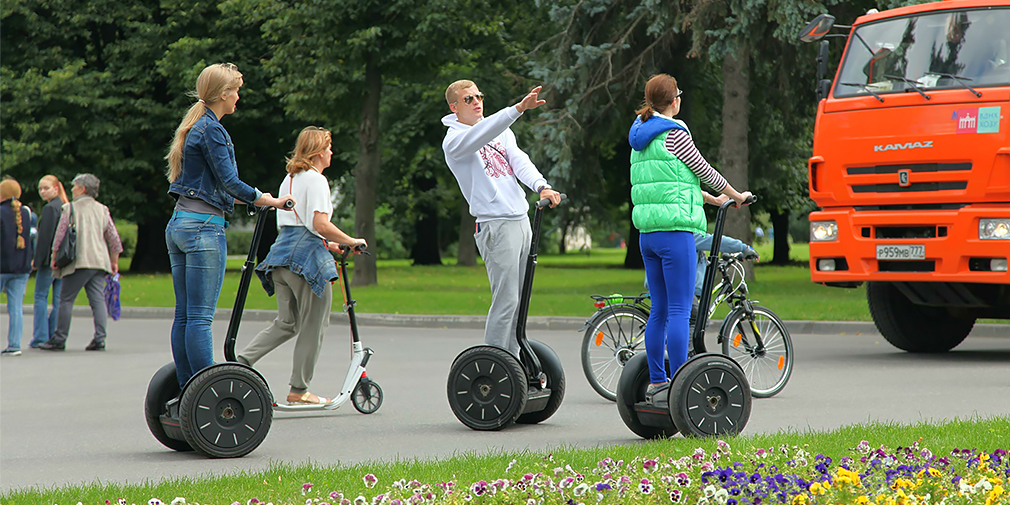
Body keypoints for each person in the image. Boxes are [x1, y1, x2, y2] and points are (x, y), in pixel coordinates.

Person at [163, 62, 294, 388]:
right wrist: (267, 199)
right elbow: (232, 183)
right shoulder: (214, 131)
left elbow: (216, 188)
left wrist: (256, 199)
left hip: (179, 224)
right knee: (200, 319)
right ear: (223, 94)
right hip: (203, 229)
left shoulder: (196, 127)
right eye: (235, 91)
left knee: (185, 316)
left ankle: (187, 390)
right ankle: (208, 391)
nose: (238, 97)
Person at [628, 74, 753, 402]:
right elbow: (703, 170)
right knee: (681, 311)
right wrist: (736, 195)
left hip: (648, 236)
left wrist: (710, 200)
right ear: (674, 101)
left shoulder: (640, 136)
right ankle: (682, 387)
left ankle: (658, 381)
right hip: (675, 235)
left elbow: (669, 180)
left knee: (659, 310)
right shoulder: (674, 132)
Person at [238, 126, 366, 405]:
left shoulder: (290, 179)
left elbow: (299, 225)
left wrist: (335, 245)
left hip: (281, 257)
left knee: (286, 323)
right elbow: (319, 224)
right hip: (306, 261)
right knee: (314, 324)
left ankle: (240, 363)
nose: (332, 153)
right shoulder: (317, 180)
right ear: (320, 152)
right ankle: (299, 390)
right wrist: (351, 239)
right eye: (329, 148)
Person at [441, 80, 562, 357]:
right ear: (454, 107)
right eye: (468, 99)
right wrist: (518, 108)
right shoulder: (454, 140)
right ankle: (495, 364)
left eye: (478, 96)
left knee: (519, 301)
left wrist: (541, 185)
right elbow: (482, 134)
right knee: (506, 300)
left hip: (520, 220)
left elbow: (519, 160)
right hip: (495, 225)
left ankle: (515, 360)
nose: (477, 101)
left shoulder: (500, 130)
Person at [39, 173, 122, 352]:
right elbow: (114, 238)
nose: (72, 189)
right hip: (100, 261)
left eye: (74, 186)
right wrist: (114, 261)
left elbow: (60, 235)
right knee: (98, 300)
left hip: (78, 261)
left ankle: (59, 338)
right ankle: (100, 338)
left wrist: (54, 257)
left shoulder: (70, 208)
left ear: (82, 189)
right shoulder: (102, 209)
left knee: (65, 299)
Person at [30, 175, 70, 348]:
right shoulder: (65, 206)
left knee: (40, 296)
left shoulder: (49, 209)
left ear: (55, 188)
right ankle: (54, 333)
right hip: (63, 260)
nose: (42, 192)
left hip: (48, 261)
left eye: (46, 188)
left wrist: (36, 261)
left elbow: (44, 238)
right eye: (40, 189)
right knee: (58, 299)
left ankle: (40, 336)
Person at [1, 178, 35, 356]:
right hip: (21, 266)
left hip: (2, 265)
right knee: (16, 307)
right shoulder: (26, 213)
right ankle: (14, 344)